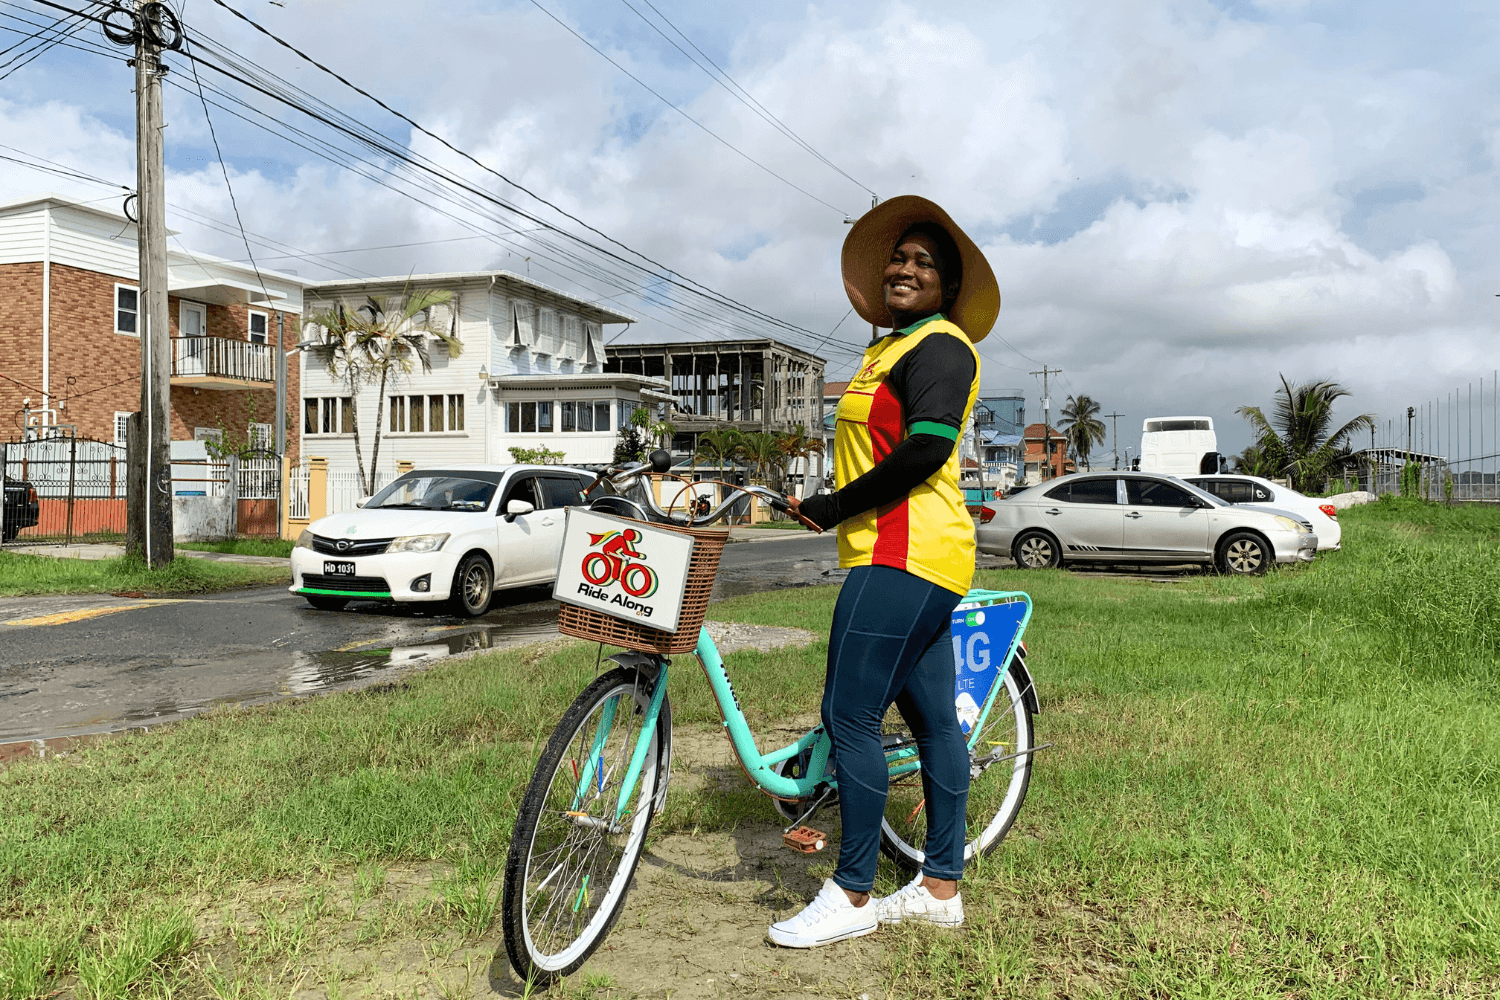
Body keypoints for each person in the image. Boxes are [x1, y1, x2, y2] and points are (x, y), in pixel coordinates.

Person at [768, 196, 1000, 949]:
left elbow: (925, 452)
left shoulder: (942, 348)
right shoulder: (889, 352)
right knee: (934, 722)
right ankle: (939, 887)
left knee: (850, 716)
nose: (904, 268)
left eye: (923, 262)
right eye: (899, 257)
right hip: (918, 555)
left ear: (948, 287)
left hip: (902, 552)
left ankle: (854, 891)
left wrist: (835, 505)